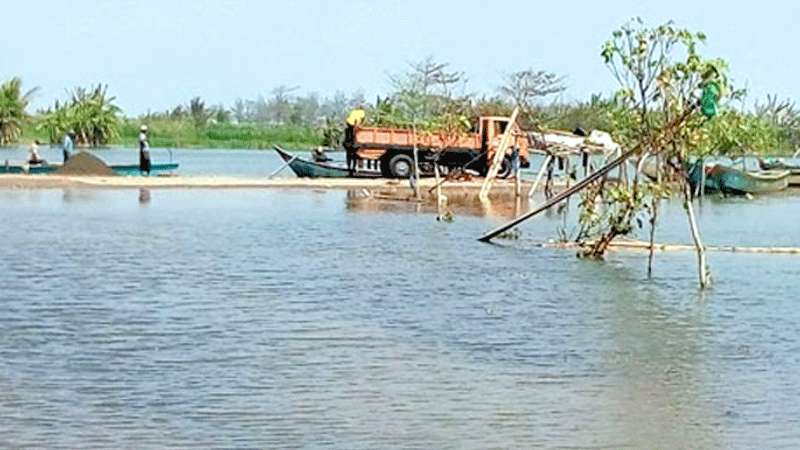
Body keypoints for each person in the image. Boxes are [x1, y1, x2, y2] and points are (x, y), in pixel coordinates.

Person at [344, 105, 366, 174]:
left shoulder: (354, 111)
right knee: (354, 156)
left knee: (349, 156)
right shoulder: (362, 112)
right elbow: (361, 120)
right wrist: (360, 126)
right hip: (353, 125)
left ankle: (349, 168)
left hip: (349, 123)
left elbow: (349, 119)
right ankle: (353, 168)